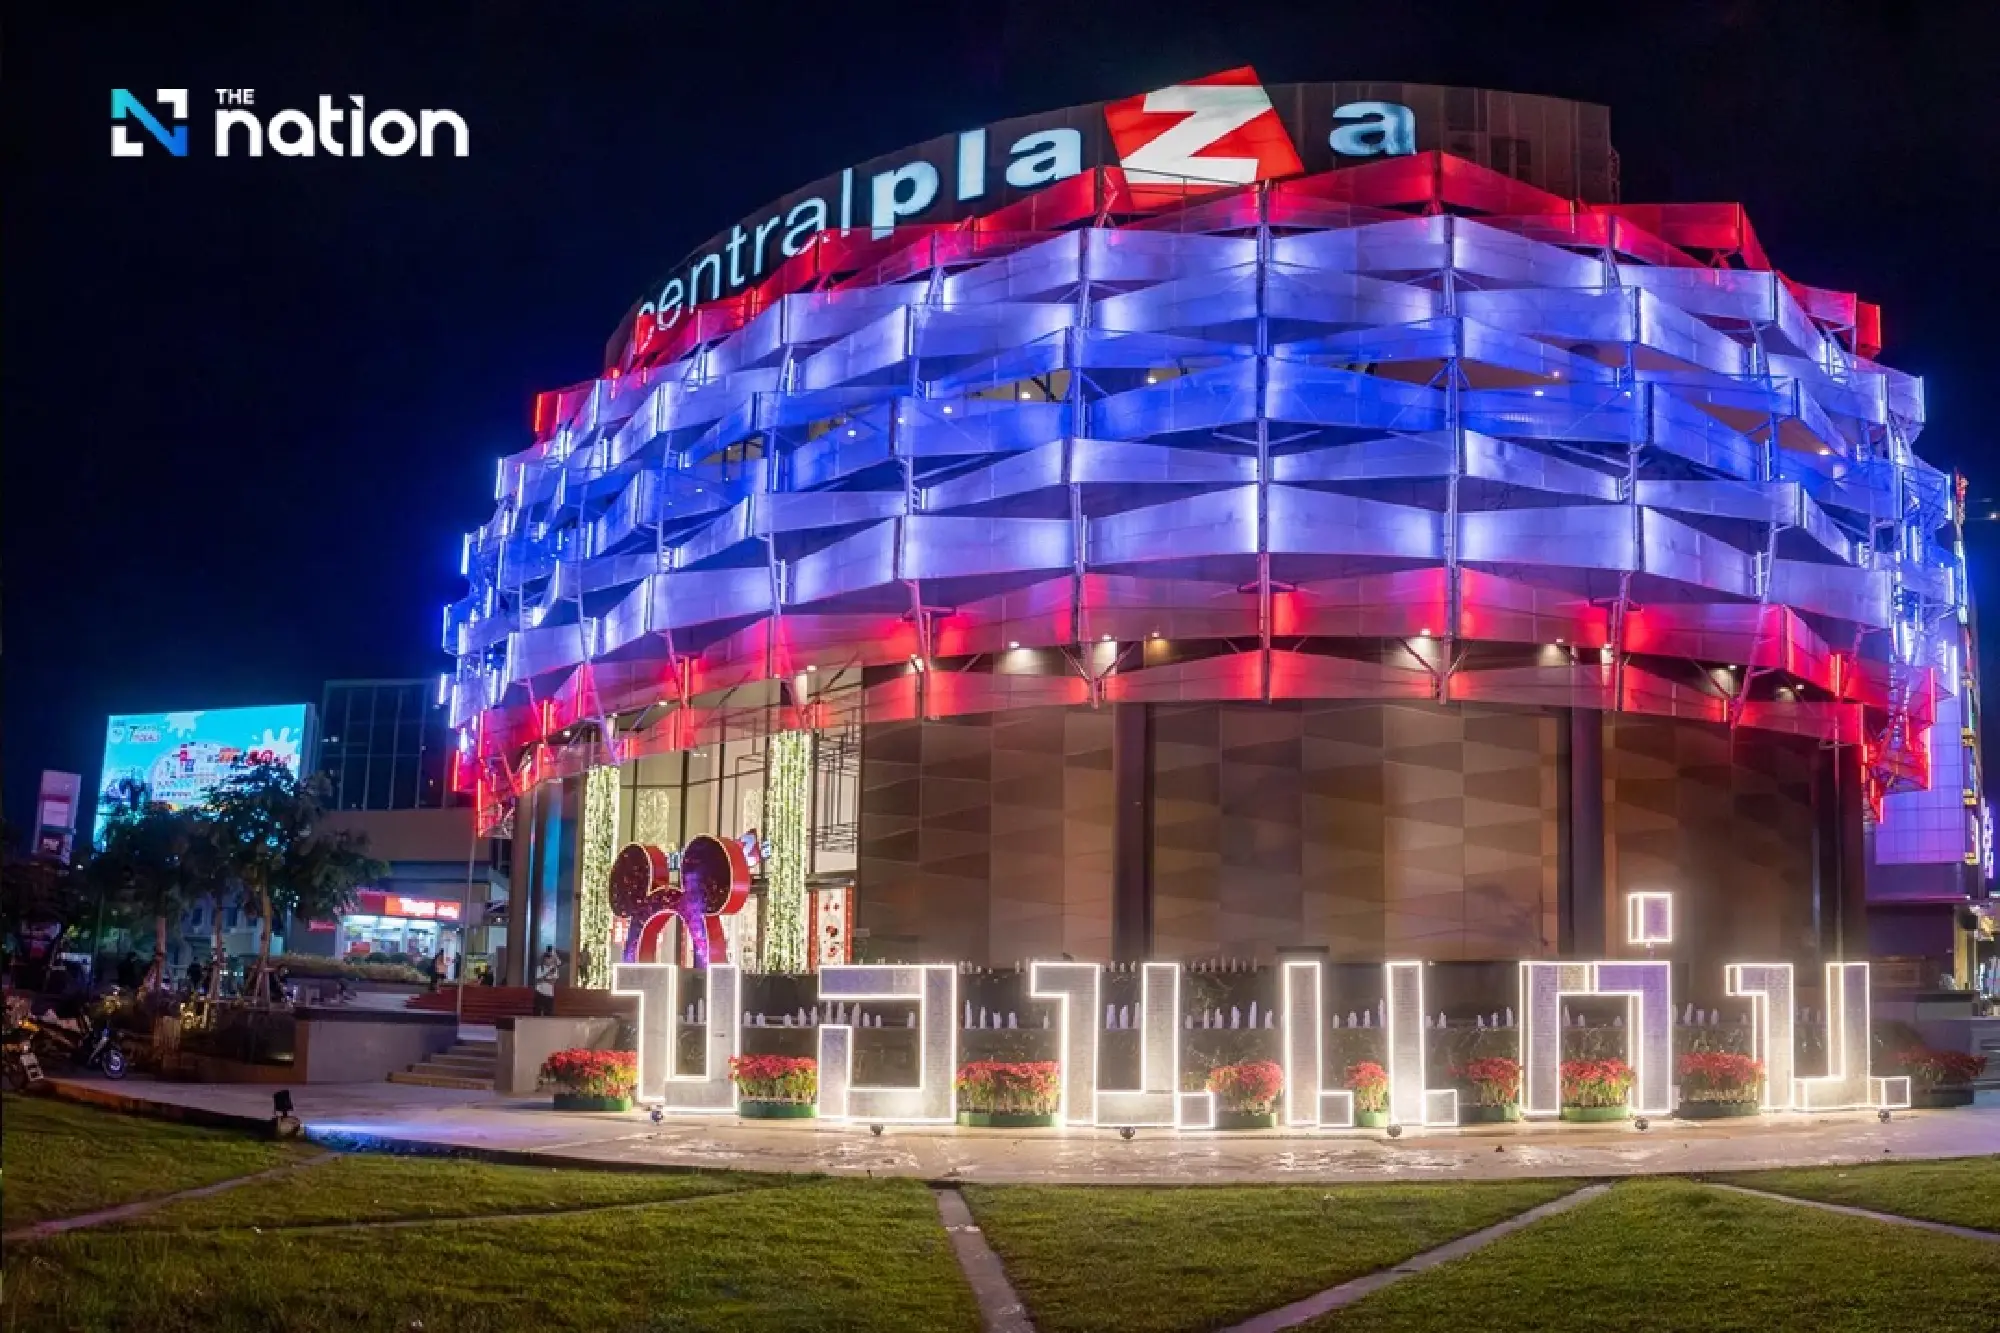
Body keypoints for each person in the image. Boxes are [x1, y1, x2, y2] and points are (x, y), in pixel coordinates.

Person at [533, 946, 560, 1016]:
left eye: (550, 958)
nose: (549, 960)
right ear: (544, 959)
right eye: (547, 958)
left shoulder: (554, 969)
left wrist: (543, 979)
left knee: (548, 1014)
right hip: (539, 993)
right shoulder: (539, 968)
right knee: (537, 1013)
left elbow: (553, 982)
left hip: (549, 994)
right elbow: (537, 981)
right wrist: (547, 975)